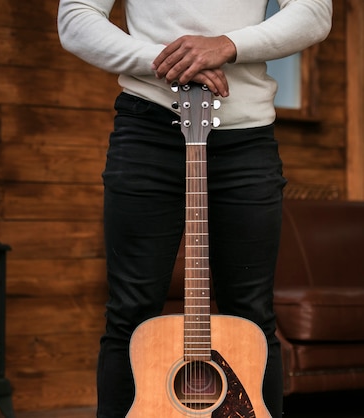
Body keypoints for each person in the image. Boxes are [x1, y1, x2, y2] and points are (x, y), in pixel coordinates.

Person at [57, 1, 333, 417]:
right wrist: (168, 60)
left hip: (247, 136)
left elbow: (314, 12)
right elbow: (75, 18)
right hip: (148, 129)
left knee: (253, 315)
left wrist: (227, 45)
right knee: (129, 312)